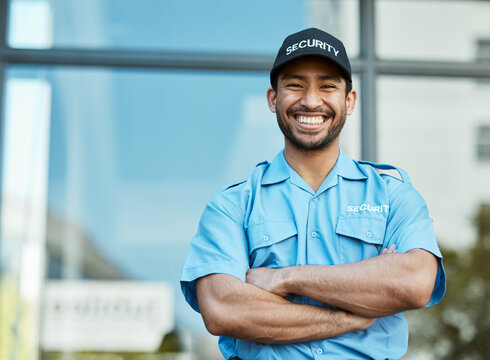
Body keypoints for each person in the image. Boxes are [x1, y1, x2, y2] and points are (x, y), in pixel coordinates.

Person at [180, 27, 446, 360]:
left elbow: (415, 283)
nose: (310, 100)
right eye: (294, 85)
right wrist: (350, 317)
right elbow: (224, 308)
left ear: (349, 101)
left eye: (327, 86)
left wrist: (285, 278)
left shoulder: (393, 195)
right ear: (273, 99)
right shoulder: (232, 205)